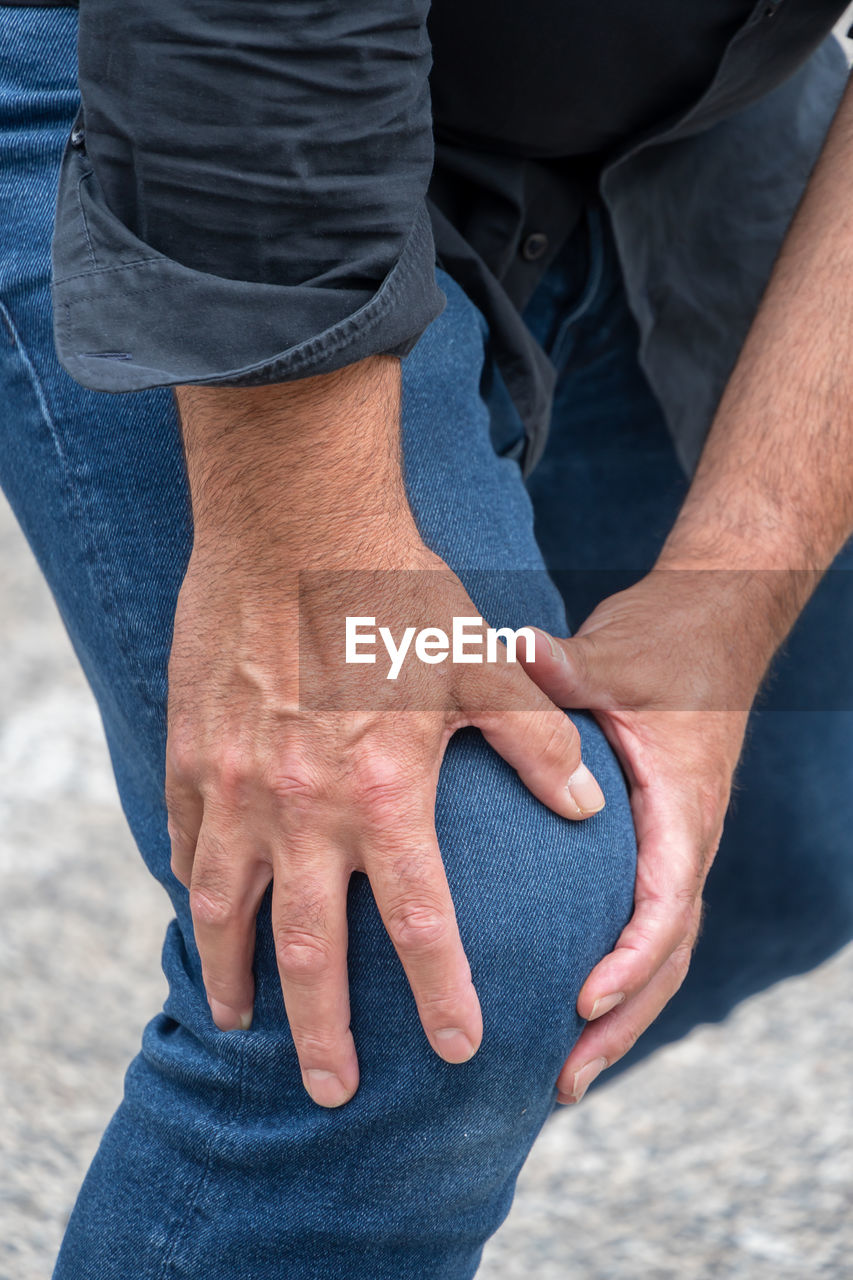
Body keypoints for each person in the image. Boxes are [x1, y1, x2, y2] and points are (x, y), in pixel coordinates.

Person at [1, 1, 852, 1275]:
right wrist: (298, 534)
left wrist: (725, 607)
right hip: (195, 71)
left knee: (796, 818)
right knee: (436, 947)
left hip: (674, 89)